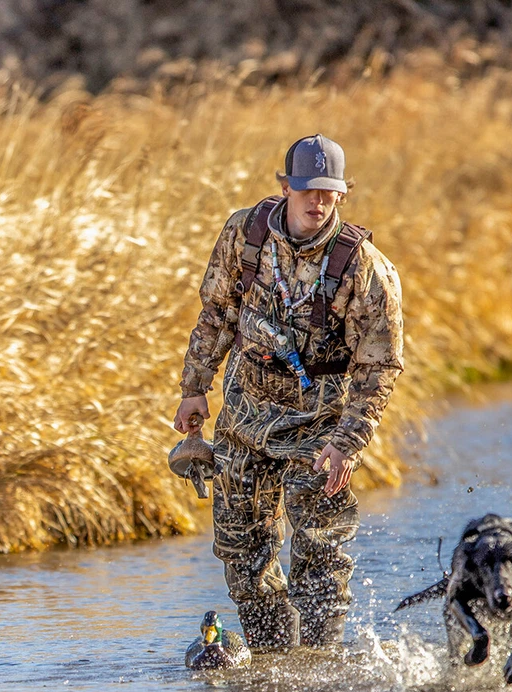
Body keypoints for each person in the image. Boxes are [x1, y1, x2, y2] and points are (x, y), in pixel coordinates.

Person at [173, 133, 404, 650]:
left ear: (342, 194)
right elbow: (216, 314)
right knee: (241, 551)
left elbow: (379, 368)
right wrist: (194, 388)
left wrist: (347, 443)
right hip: (244, 417)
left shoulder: (368, 269)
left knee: (320, 554)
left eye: (328, 192)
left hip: (320, 429)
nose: (317, 202)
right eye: (307, 191)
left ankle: (318, 673)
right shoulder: (244, 234)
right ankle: (275, 664)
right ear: (285, 187)